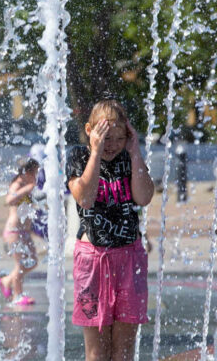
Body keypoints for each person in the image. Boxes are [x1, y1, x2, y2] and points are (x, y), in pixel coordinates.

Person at [66, 99, 154, 361]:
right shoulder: (79, 156)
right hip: (93, 260)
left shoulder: (129, 158)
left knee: (124, 349)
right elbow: (85, 197)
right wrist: (95, 152)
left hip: (129, 257)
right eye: (106, 137)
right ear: (90, 130)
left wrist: (136, 151)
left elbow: (144, 197)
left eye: (118, 137)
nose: (111, 144)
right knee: (96, 351)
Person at [0, 158, 39, 306]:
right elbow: (9, 200)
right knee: (20, 265)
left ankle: (7, 280)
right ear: (27, 172)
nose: (37, 175)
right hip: (14, 231)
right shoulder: (18, 185)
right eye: (35, 172)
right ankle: (17, 296)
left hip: (24, 232)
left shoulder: (28, 185)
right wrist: (25, 190)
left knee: (33, 261)